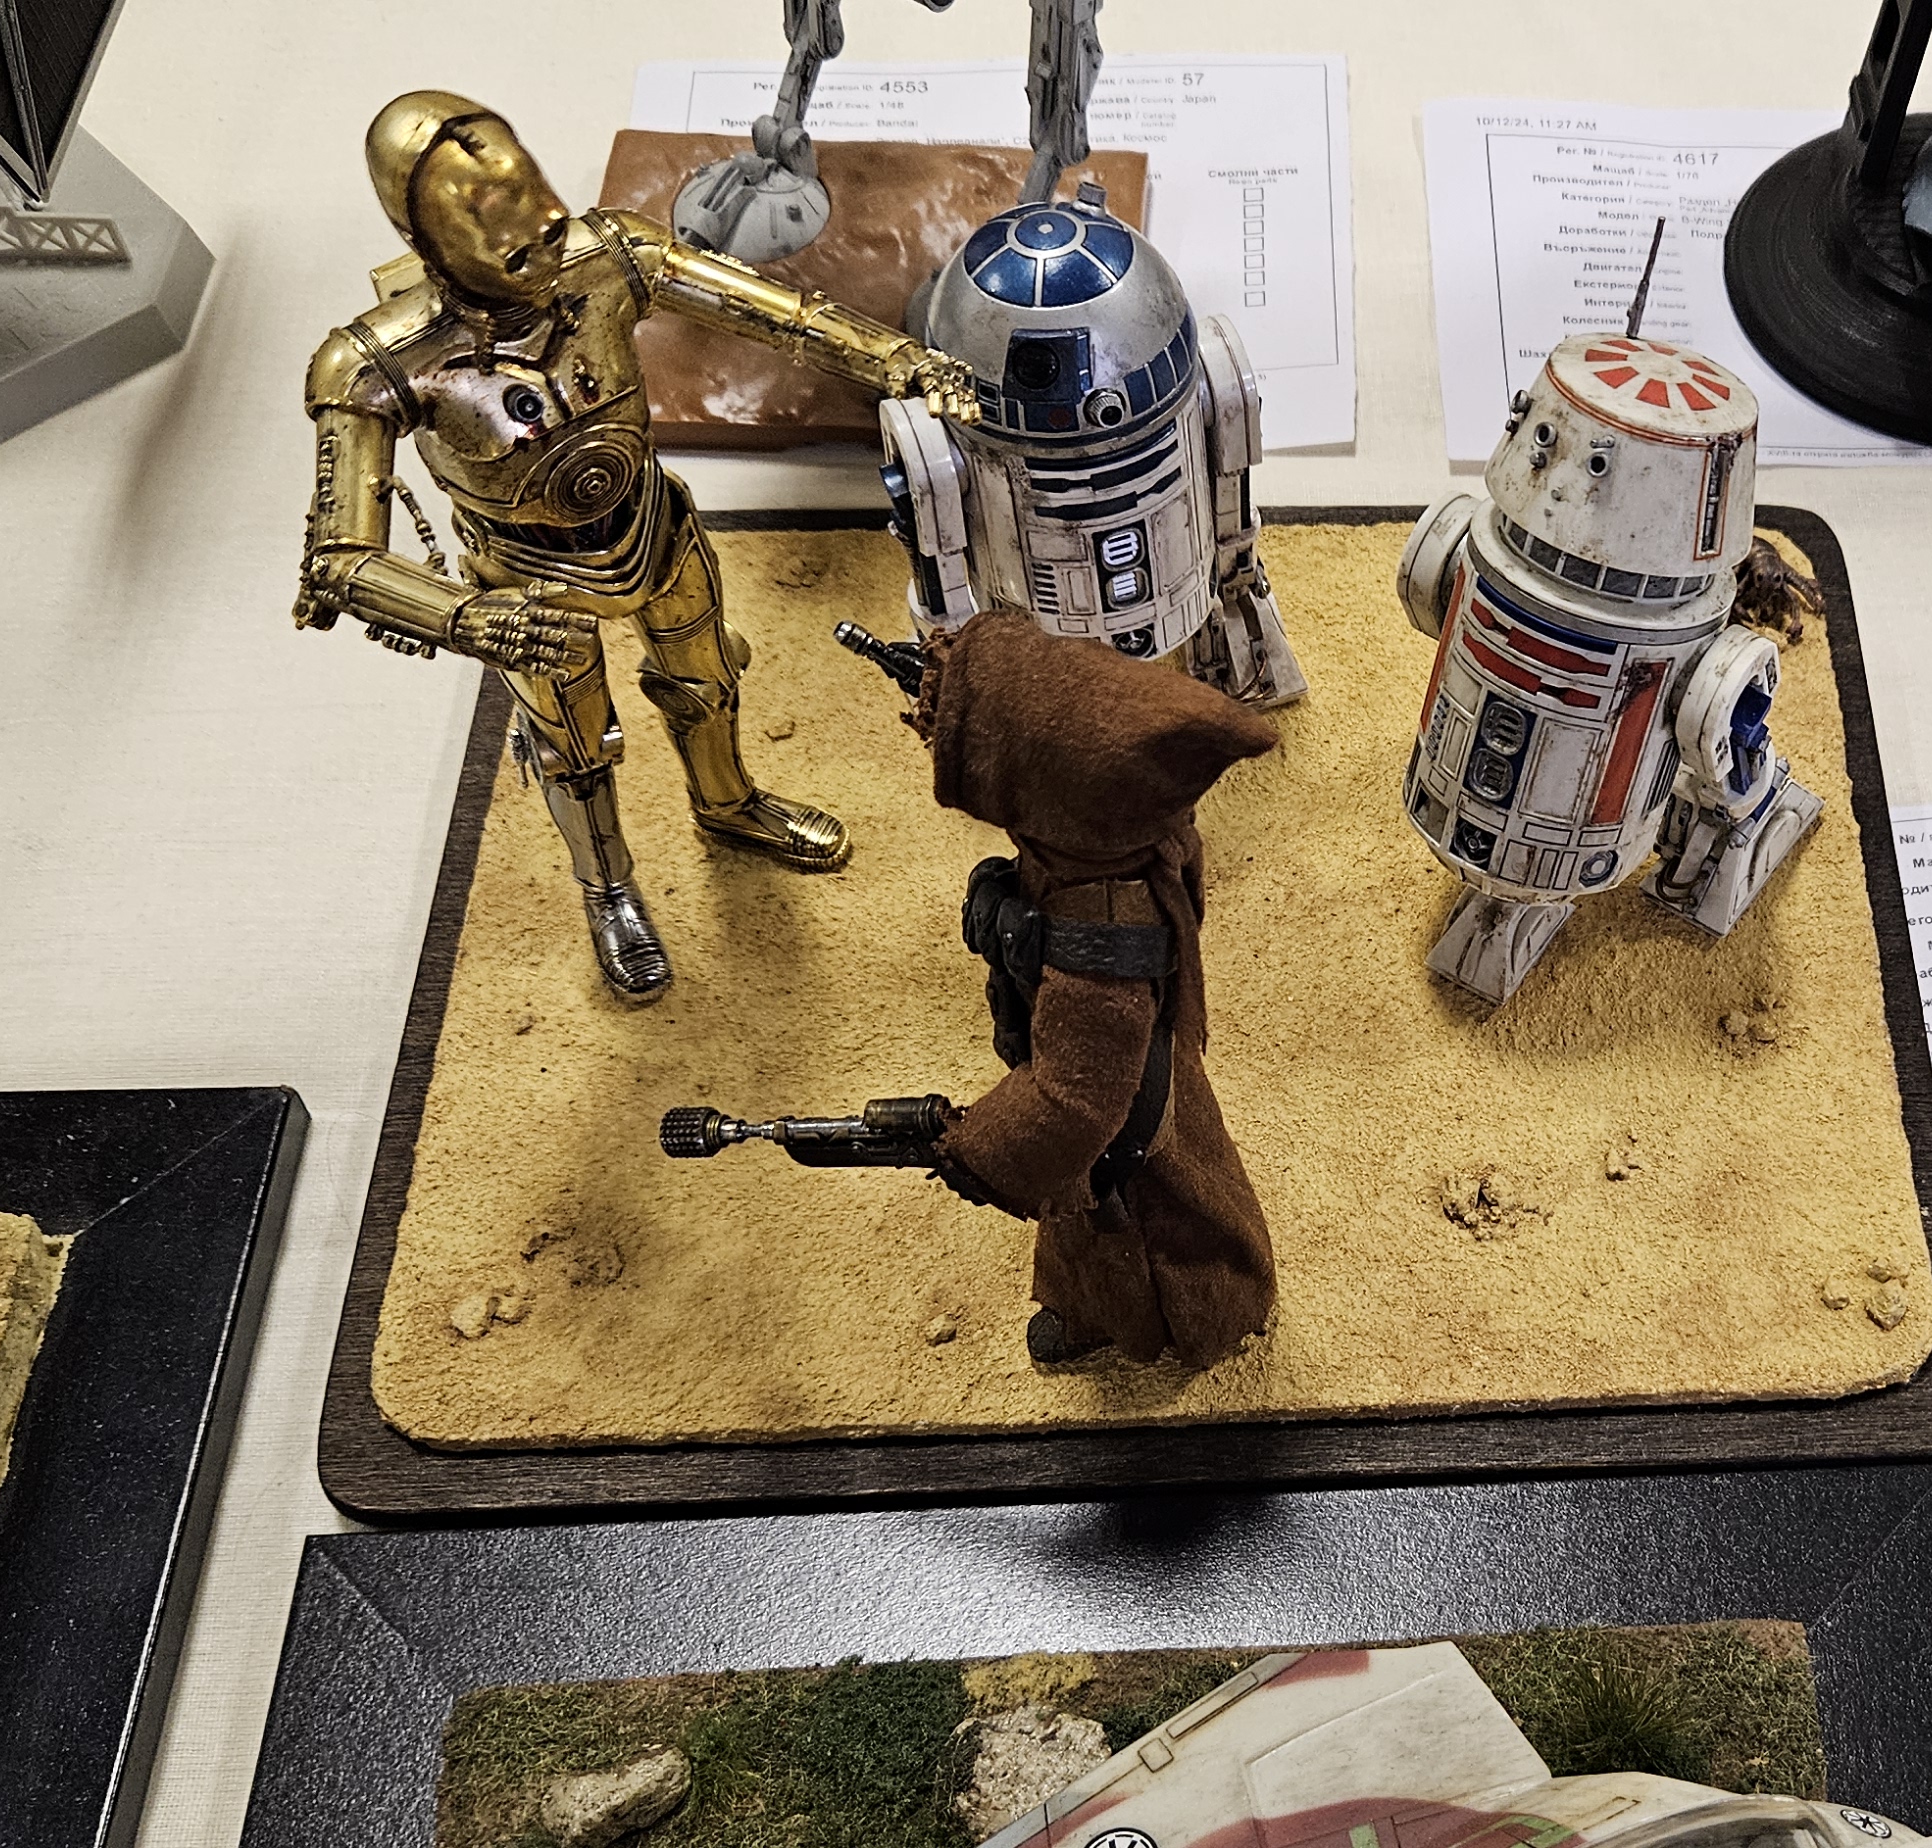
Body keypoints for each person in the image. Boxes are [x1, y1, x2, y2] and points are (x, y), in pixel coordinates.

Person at [296, 93, 981, 999]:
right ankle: (608, 887)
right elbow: (337, 560)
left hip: (654, 526)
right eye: (515, 254)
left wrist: (899, 359)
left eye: (550, 226)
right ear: (429, 247)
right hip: (527, 586)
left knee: (709, 683)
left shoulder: (608, 255)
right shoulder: (373, 364)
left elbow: (781, 315)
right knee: (573, 750)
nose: (547, 258)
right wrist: (467, 618)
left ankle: (728, 802)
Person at [907, 610, 1280, 1369]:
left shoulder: (1102, 918)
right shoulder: (1099, 847)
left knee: (1135, 1218)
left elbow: (1076, 1103)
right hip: (1120, 1058)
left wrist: (979, 1151)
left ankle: (1168, 1318)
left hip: (1118, 1116)